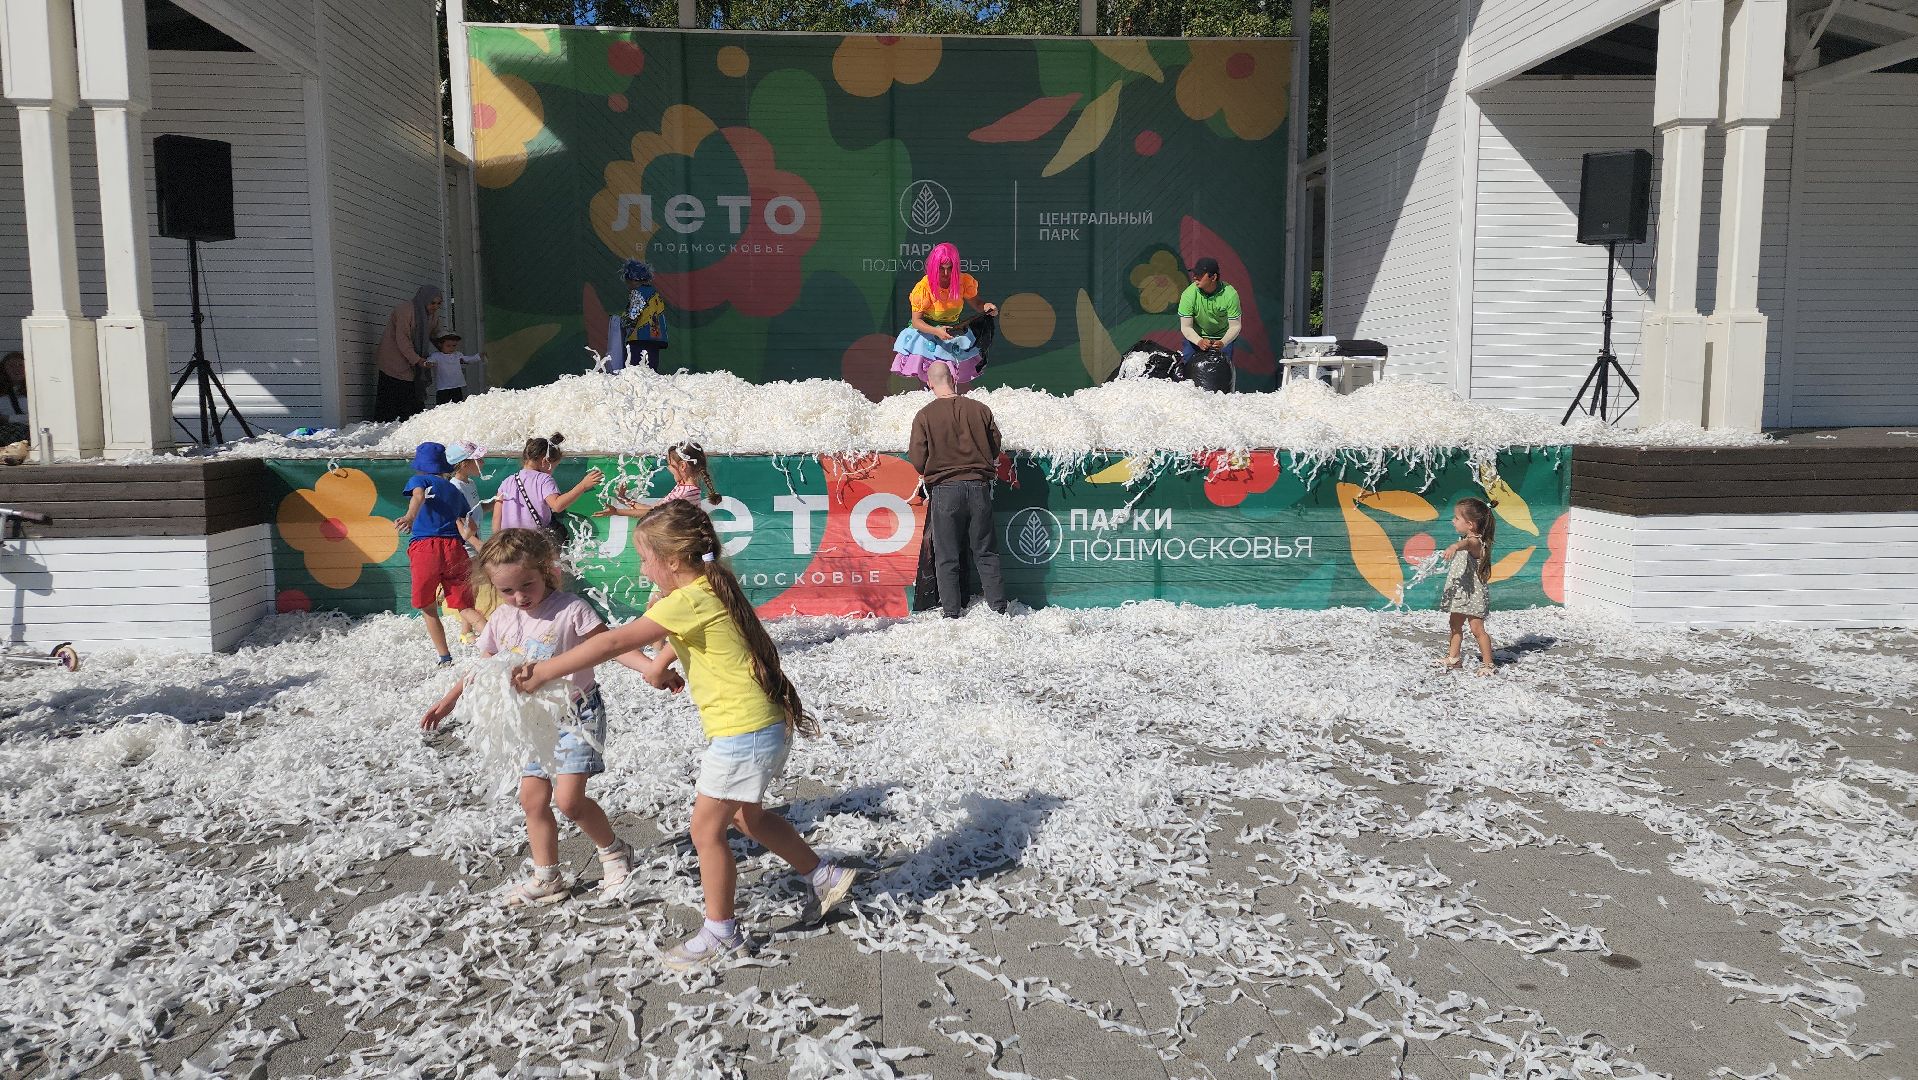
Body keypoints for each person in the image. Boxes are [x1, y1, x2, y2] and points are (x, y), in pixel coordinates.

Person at [513, 500, 858, 968]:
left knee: (706, 830)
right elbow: (690, 638)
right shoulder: (709, 587)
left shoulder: (689, 597)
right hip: (759, 725)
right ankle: (823, 875)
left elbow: (614, 641)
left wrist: (547, 669)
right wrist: (658, 666)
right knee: (745, 819)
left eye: (646, 558)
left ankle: (722, 933)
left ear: (673, 561)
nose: (642, 567)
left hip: (744, 731)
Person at [422, 529, 645, 907]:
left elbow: (611, 644)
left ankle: (614, 852)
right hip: (532, 721)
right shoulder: (501, 620)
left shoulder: (570, 609)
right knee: (532, 800)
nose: (520, 597)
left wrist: (651, 669)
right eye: (508, 591)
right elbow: (484, 668)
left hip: (577, 714)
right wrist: (449, 700)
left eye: (527, 585)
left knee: (570, 801)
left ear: (547, 571)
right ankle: (547, 876)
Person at [907, 362, 1007, 618]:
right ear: (954, 378)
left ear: (929, 383)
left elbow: (918, 459)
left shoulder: (925, 415)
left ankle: (952, 612)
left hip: (945, 491)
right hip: (979, 488)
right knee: (985, 551)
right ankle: (998, 608)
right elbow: (995, 445)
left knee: (947, 555)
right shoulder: (980, 409)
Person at [396, 441, 481, 665]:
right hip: (454, 548)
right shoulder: (453, 489)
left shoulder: (419, 480)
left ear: (420, 465)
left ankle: (444, 657)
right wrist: (467, 540)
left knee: (428, 606)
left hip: (425, 548)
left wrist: (410, 517)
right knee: (465, 607)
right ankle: (498, 640)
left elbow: (418, 496)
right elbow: (468, 524)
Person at [889, 243, 998, 389]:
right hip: (926, 335)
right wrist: (936, 331)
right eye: (941, 268)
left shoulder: (964, 281)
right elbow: (916, 321)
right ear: (933, 266)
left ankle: (948, 403)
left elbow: (978, 304)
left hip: (951, 333)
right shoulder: (923, 288)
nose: (946, 273)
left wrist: (987, 307)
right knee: (928, 379)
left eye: (950, 268)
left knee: (949, 377)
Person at [493, 433, 604, 540]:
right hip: (532, 542)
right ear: (545, 461)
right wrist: (583, 486)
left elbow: (497, 518)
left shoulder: (507, 482)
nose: (552, 472)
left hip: (508, 541)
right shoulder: (543, 479)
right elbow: (557, 505)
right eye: (554, 467)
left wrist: (497, 541)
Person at [1437, 497, 1497, 676]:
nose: (1452, 521)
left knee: (1477, 629)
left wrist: (1455, 546)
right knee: (1454, 624)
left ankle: (1488, 664)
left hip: (1473, 595)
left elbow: (1467, 544)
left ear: (1470, 524)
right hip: (1461, 593)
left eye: (1456, 518)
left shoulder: (1475, 542)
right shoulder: (1468, 537)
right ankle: (1453, 657)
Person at [594, 441, 720, 519]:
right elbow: (652, 509)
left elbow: (652, 513)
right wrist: (624, 499)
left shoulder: (684, 494)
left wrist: (617, 511)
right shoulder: (684, 488)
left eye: (670, 464)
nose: (668, 468)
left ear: (682, 466)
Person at [374, 286, 442, 422]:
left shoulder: (432, 316)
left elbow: (435, 335)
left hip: (413, 362)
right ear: (424, 300)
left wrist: (448, 351)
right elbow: (402, 338)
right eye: (432, 303)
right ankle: (384, 433)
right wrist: (417, 360)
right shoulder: (405, 310)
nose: (435, 307)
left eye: (438, 303)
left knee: (412, 399)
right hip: (393, 360)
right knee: (391, 400)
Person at [1177, 257, 1242, 376]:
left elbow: (1235, 326)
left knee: (1223, 374)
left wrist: (1223, 342)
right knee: (1188, 374)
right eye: (1195, 273)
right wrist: (1199, 341)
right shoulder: (1188, 295)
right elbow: (1186, 327)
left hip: (1223, 339)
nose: (1195, 277)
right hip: (1195, 338)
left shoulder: (1230, 294)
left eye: (1200, 274)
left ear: (1213, 277)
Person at [607, 260, 669, 373]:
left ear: (634, 280)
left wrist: (619, 322)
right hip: (656, 337)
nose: (628, 285)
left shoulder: (638, 293)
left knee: (636, 371)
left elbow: (632, 316)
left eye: (628, 281)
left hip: (640, 337)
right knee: (651, 371)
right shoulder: (655, 293)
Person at [427, 332, 486, 406]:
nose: (452, 348)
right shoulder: (436, 356)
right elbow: (430, 361)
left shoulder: (457, 355)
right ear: (440, 345)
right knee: (443, 407)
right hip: (443, 387)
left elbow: (467, 359)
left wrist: (478, 356)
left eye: (454, 346)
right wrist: (428, 363)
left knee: (458, 406)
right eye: (448, 346)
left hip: (457, 385)